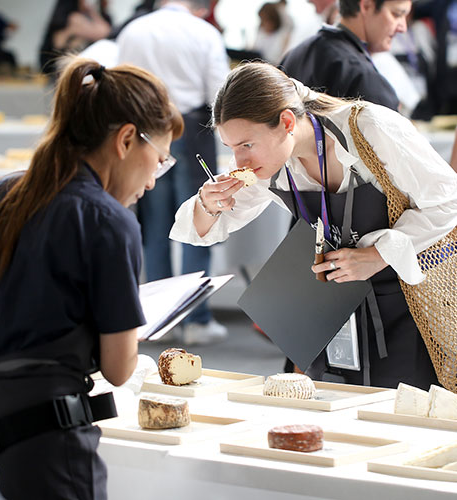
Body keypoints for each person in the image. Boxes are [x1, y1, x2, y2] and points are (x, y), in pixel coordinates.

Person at [0, 56, 183, 500]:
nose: (154, 181)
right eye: (159, 160)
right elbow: (119, 370)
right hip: (47, 448)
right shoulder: (107, 221)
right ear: (125, 140)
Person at [170, 61, 457, 390]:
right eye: (231, 148)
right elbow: (206, 229)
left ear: (287, 122)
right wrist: (208, 203)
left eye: (246, 145)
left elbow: (448, 200)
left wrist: (379, 254)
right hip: (331, 313)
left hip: (407, 306)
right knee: (335, 421)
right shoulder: (273, 163)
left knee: (407, 418)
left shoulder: (369, 128)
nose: (239, 162)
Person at [116, 0, 230, 346]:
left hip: (143, 130)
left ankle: (156, 318)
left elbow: (119, 84)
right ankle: (195, 319)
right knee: (201, 218)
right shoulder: (204, 31)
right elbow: (219, 92)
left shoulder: (133, 29)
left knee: (155, 224)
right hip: (192, 126)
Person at [280, 0, 412, 110]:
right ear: (366, 6)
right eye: (397, 14)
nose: (403, 28)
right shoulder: (360, 76)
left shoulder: (296, 54)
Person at [39, 0, 111, 78]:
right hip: (66, 68)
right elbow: (105, 33)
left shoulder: (65, 19)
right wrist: (91, 10)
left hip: (69, 67)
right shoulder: (74, 18)